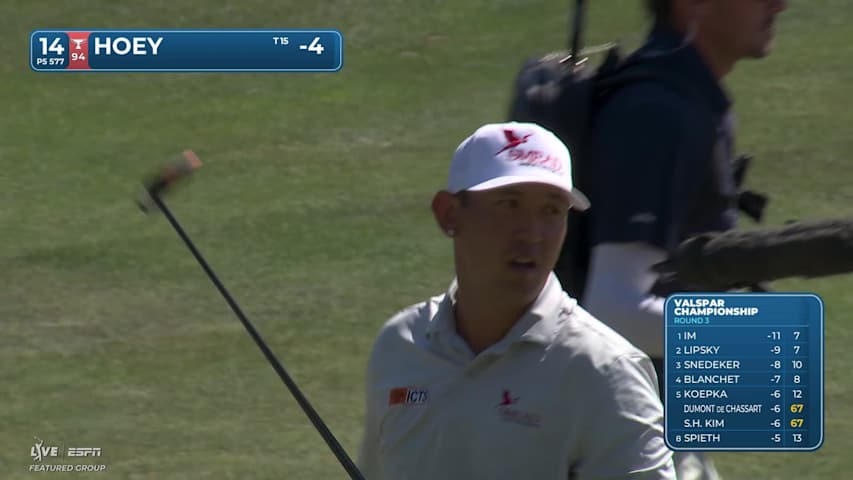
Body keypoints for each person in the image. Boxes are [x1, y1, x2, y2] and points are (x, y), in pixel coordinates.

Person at [358, 121, 675, 480]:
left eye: (551, 211)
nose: (533, 233)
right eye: (509, 204)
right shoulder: (399, 346)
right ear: (449, 214)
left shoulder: (606, 373)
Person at [580, 1, 788, 478]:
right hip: (622, 445)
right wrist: (765, 346)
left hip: (656, 426)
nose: (780, 3)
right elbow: (611, 309)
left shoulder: (687, 96)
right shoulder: (658, 112)